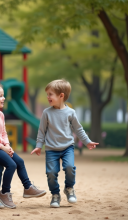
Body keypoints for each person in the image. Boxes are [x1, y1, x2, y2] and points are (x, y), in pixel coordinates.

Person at [0, 83, 46, 209]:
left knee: (19, 161)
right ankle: (4, 193)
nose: (4, 98)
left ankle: (28, 187)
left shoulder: (0, 114)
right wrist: (2, 147)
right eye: (1, 96)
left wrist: (7, 144)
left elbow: (3, 132)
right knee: (11, 165)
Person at [31, 79, 98, 208]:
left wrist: (87, 142)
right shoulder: (46, 113)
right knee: (51, 173)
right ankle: (55, 195)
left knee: (69, 168)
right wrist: (39, 146)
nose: (48, 97)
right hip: (51, 149)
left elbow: (78, 129)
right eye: (47, 94)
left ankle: (69, 188)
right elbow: (41, 131)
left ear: (61, 96)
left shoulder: (71, 113)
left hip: (67, 147)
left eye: (50, 94)